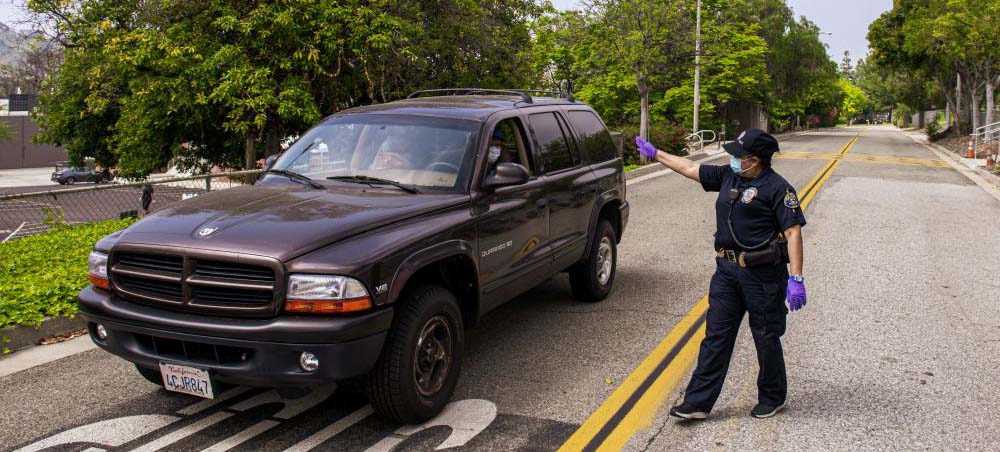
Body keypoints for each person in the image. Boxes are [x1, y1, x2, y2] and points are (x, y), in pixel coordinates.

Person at [635, 128, 807, 420]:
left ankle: (772, 396)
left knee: (765, 336)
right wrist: (656, 154)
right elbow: (689, 167)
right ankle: (697, 403)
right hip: (726, 271)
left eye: (739, 156)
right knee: (716, 336)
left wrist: (796, 278)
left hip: (762, 275)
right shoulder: (729, 176)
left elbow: (793, 233)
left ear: (755, 160)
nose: (733, 159)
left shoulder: (779, 188)